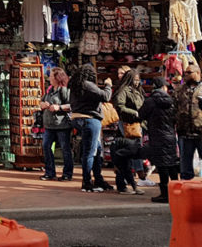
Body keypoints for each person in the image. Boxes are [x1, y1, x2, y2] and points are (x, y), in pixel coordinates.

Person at [68, 64, 113, 192]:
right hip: (90, 119)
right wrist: (108, 85)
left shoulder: (75, 86)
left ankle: (98, 179)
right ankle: (87, 182)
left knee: (96, 151)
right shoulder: (87, 85)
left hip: (79, 119)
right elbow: (105, 96)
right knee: (90, 152)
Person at [139, 77, 178, 203]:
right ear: (164, 87)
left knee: (162, 165)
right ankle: (177, 191)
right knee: (171, 163)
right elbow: (176, 117)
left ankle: (165, 194)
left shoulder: (150, 101)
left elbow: (141, 114)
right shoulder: (171, 100)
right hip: (170, 135)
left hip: (157, 135)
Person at [174, 64, 202, 179]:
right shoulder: (180, 89)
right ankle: (186, 185)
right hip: (184, 131)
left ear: (197, 73)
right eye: (185, 72)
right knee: (185, 164)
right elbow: (174, 107)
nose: (185, 75)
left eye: (189, 72)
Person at [39, 67, 73, 182]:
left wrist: (59, 107)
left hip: (62, 125)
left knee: (65, 149)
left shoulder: (64, 90)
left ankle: (67, 173)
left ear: (57, 78)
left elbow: (72, 105)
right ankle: (49, 172)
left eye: (52, 76)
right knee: (46, 146)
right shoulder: (49, 89)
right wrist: (43, 104)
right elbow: (41, 101)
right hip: (49, 125)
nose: (49, 78)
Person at [113, 69, 145, 186]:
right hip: (127, 124)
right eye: (135, 80)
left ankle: (132, 174)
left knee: (134, 149)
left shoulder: (137, 91)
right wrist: (134, 112)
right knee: (131, 149)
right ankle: (131, 174)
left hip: (136, 124)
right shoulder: (124, 91)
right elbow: (119, 106)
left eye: (138, 80)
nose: (137, 82)